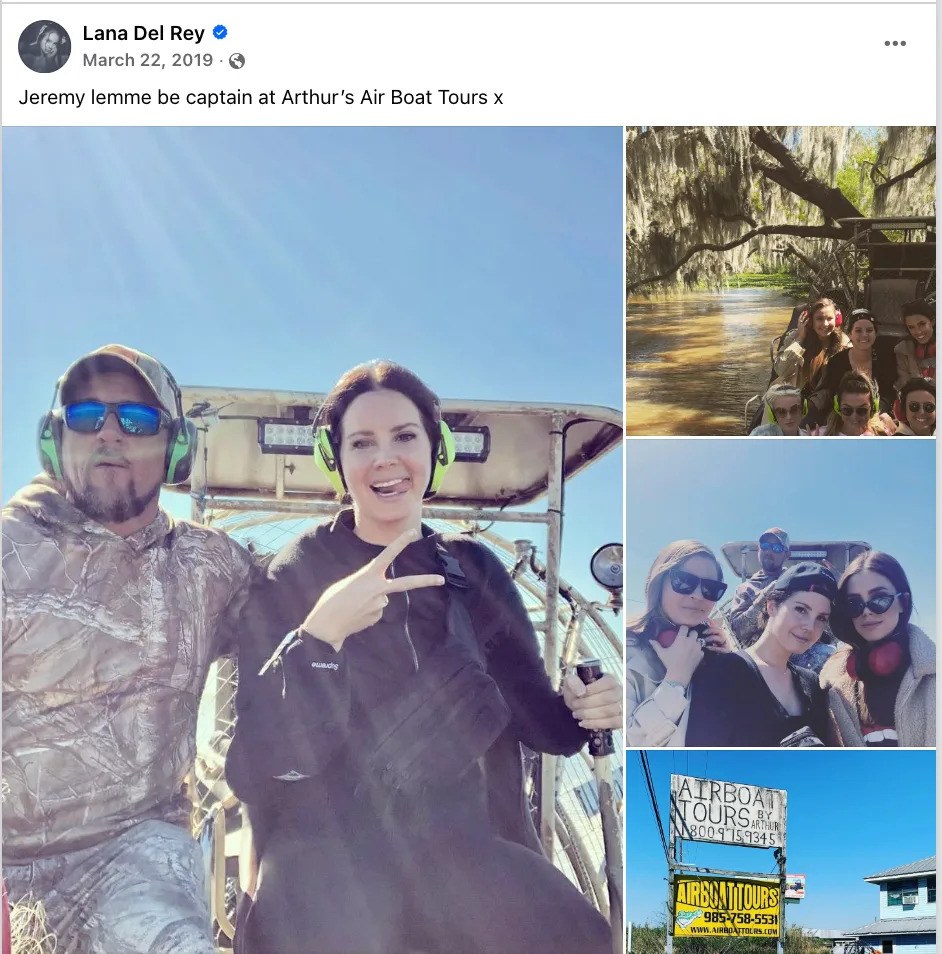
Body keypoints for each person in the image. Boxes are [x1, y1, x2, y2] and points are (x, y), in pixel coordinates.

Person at [225, 360, 620, 954]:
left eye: (404, 437)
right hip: (326, 854)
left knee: (579, 938)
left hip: (462, 847)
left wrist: (586, 705)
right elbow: (254, 766)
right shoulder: (298, 571)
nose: (385, 458)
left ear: (434, 449)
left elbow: (543, 724)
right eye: (362, 443)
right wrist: (318, 641)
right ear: (338, 461)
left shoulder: (473, 569)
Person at [2, 345, 257, 954]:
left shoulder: (213, 566)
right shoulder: (8, 551)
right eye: (87, 416)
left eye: (137, 420)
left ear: (175, 448)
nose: (109, 434)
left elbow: (312, 611)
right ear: (55, 438)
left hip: (136, 848)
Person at [686, 562, 836, 747]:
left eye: (821, 618)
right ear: (772, 606)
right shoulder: (724, 672)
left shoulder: (813, 684)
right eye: (801, 609)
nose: (809, 626)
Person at [820, 552, 935, 747]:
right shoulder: (828, 683)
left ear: (903, 602)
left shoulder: (933, 675)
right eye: (854, 604)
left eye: (879, 598)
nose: (866, 611)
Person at [625, 541, 733, 747]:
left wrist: (730, 665)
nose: (698, 595)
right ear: (659, 583)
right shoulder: (628, 650)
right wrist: (676, 681)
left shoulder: (714, 648)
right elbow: (632, 745)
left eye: (711, 589)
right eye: (684, 581)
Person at [813, 309, 897, 421]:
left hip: (879, 414)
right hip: (845, 415)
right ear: (850, 334)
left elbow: (889, 393)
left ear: (875, 334)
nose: (864, 335)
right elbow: (833, 395)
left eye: (869, 330)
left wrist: (879, 411)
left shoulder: (885, 359)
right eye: (858, 330)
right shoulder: (837, 362)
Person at [772, 297, 849, 400]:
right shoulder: (795, 337)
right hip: (798, 400)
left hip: (830, 401)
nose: (825, 324)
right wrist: (800, 339)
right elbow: (781, 370)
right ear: (810, 321)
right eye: (819, 319)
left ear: (837, 319)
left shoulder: (844, 341)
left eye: (829, 318)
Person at [817, 371, 894, 436]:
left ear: (873, 408)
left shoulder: (883, 436)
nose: (854, 417)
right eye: (847, 410)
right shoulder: (819, 436)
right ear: (838, 408)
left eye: (862, 410)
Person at [894, 299, 936, 388]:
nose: (918, 331)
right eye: (911, 327)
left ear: (932, 321)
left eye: (922, 324)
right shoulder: (903, 350)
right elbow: (904, 386)